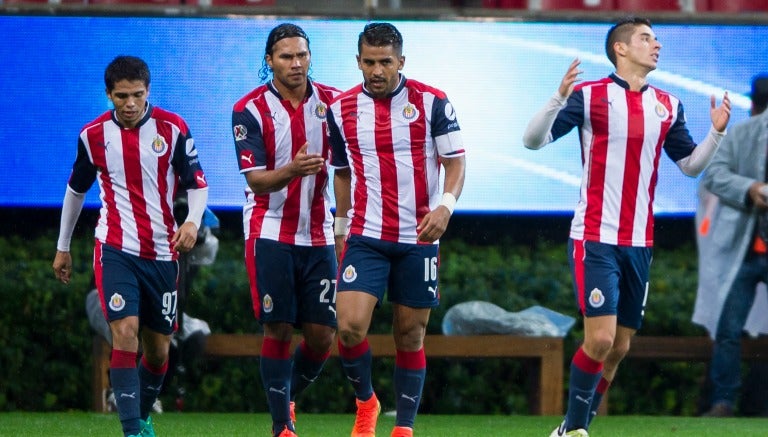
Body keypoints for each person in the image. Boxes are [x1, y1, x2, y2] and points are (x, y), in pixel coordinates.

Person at [522, 17, 731, 437]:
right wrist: (557, 98)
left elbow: (690, 166)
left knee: (618, 348)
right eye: (646, 38)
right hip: (595, 237)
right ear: (620, 49)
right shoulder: (589, 96)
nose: (656, 44)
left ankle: (574, 424)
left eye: (655, 38)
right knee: (599, 340)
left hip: (640, 242)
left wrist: (717, 134)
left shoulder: (668, 106)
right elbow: (532, 142)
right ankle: (574, 429)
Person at [52, 55, 209, 437]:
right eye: (121, 96)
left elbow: (197, 184)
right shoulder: (93, 136)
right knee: (125, 332)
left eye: (137, 95)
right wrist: (63, 247)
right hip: (115, 248)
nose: (130, 104)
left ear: (148, 91)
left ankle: (140, 415)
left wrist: (191, 221)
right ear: (109, 95)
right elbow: (76, 190)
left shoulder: (173, 129)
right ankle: (131, 431)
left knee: (158, 351)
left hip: (162, 252)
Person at [328, 22, 466, 437]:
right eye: (369, 62)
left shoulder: (433, 102)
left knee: (410, 333)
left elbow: (456, 162)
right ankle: (367, 402)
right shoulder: (341, 108)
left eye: (385, 62)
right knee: (349, 328)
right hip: (366, 236)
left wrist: (446, 206)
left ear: (401, 61)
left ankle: (403, 428)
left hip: (419, 237)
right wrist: (339, 227)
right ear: (358, 62)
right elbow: (342, 172)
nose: (376, 71)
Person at [231, 23, 341, 437]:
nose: (296, 64)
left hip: (318, 232)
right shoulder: (250, 109)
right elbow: (256, 181)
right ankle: (282, 426)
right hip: (270, 229)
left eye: (302, 55)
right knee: (277, 327)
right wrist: (293, 170)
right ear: (269, 61)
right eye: (286, 57)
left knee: (322, 337)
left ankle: (284, 395)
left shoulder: (333, 102)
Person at [693, 74, 768, 417]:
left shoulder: (741, 130)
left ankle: (729, 401)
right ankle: (723, 402)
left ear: (751, 102)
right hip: (745, 248)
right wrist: (751, 188)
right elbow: (714, 175)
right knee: (728, 328)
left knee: (728, 330)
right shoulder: (742, 133)